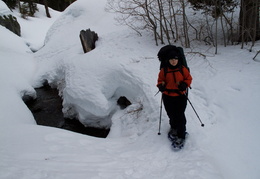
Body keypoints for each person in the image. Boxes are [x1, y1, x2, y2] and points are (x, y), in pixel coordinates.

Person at [157, 50, 192, 147]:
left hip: (180, 96)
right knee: (171, 114)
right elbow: (160, 80)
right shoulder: (164, 70)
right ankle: (173, 127)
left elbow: (189, 78)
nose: (173, 61)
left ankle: (181, 135)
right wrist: (160, 86)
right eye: (171, 59)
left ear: (178, 60)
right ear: (168, 60)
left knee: (180, 115)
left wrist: (185, 84)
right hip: (167, 96)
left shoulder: (182, 69)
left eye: (175, 59)